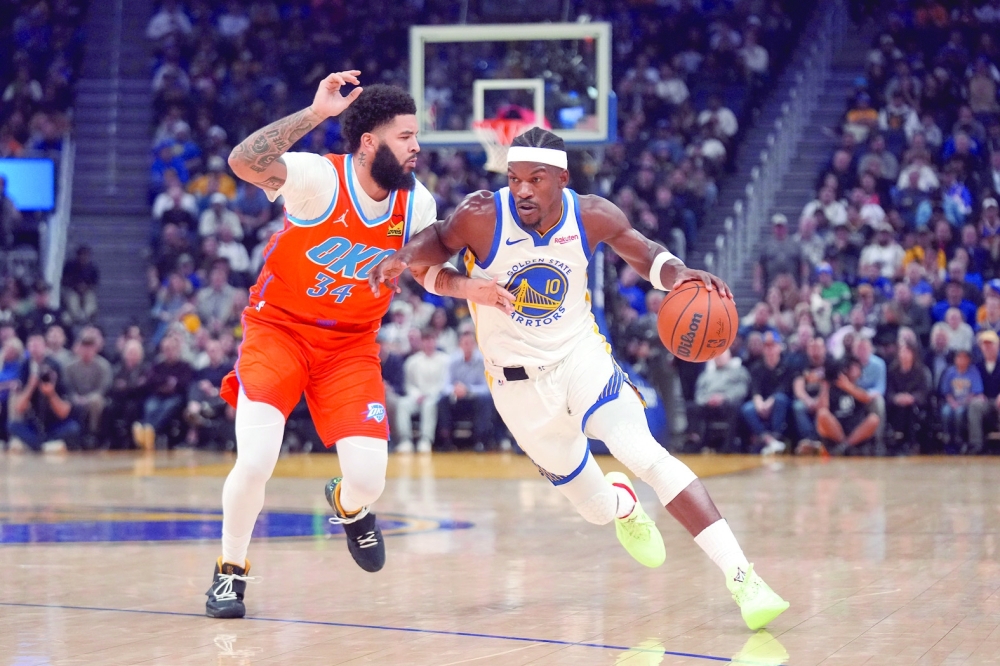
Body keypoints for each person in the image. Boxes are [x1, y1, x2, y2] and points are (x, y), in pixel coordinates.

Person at [370, 127, 788, 631]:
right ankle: (622, 504)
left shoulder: (591, 213)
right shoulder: (481, 215)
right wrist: (416, 264)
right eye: (515, 178)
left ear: (562, 180)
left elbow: (645, 252)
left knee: (645, 454)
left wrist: (680, 276)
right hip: (516, 389)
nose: (522, 189)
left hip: (581, 360)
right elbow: (432, 251)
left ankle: (744, 577)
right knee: (594, 510)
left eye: (535, 179)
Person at [208, 72, 511, 619]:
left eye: (416, 136)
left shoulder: (415, 204)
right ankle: (231, 573)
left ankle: (348, 507)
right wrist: (315, 114)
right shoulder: (319, 179)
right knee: (255, 460)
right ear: (369, 142)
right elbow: (242, 162)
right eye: (405, 136)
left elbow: (427, 273)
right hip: (280, 330)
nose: (417, 146)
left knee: (369, 480)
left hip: (349, 346)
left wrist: (475, 290)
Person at [9, 334, 80, 453]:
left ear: (45, 347)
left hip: (54, 424)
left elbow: (64, 412)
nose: (34, 348)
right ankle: (46, 446)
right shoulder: (25, 367)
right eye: (31, 345)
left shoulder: (56, 366)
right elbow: (19, 408)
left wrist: (51, 393)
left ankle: (37, 446)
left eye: (37, 345)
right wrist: (31, 385)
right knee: (13, 426)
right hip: (33, 423)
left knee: (73, 428)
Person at [437, 330, 494, 452]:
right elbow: (445, 385)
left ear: (475, 344)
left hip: (474, 399)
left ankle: (480, 441)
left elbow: (487, 387)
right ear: (460, 345)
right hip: (457, 399)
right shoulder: (452, 360)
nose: (467, 346)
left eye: (470, 343)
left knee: (486, 399)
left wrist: (467, 389)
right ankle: (446, 441)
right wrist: (455, 389)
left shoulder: (482, 361)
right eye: (465, 343)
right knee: (442, 399)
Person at [395, 329, 450, 453]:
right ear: (422, 342)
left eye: (431, 340)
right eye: (426, 340)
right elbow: (408, 384)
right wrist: (416, 394)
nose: (429, 343)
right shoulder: (412, 361)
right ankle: (405, 440)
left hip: (436, 397)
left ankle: (425, 440)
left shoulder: (445, 360)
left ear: (435, 341)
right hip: (416, 396)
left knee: (429, 405)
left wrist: (428, 395)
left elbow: (445, 383)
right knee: (402, 404)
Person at [134, 335, 193, 450]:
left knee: (167, 407)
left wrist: (169, 383)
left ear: (177, 350)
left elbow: (184, 383)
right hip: (158, 395)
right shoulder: (157, 365)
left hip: (176, 396)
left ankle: (149, 431)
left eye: (172, 349)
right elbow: (151, 380)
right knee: (150, 407)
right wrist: (167, 382)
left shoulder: (185, 366)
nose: (169, 352)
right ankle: (147, 431)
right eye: (166, 349)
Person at [740, 332, 792, 455]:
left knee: (780, 399)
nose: (770, 350)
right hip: (762, 404)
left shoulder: (786, 366)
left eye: (772, 345)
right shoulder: (756, 367)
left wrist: (769, 403)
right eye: (766, 346)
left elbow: (784, 388)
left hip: (780, 403)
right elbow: (755, 389)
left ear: (779, 347)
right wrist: (759, 403)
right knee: (747, 408)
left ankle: (777, 436)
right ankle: (769, 441)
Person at [688, 349, 750, 452]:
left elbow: (741, 390)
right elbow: (699, 392)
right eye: (717, 357)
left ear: (729, 357)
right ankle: (695, 442)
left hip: (727, 403)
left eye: (721, 356)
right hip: (708, 403)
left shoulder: (739, 371)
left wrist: (724, 397)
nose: (719, 359)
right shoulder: (706, 374)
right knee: (691, 407)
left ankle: (728, 445)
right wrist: (706, 400)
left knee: (735, 408)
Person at [816, 357, 880, 455]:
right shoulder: (832, 387)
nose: (857, 371)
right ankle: (844, 445)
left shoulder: (858, 387)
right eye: (855, 367)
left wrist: (848, 386)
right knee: (822, 414)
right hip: (836, 428)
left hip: (855, 429)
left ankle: (845, 446)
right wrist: (825, 386)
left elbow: (866, 399)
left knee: (874, 419)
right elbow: (823, 408)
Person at [63, 329, 113, 447]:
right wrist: (75, 396)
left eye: (90, 347)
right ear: (79, 348)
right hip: (75, 397)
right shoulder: (70, 367)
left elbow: (103, 388)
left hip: (95, 397)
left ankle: (93, 433)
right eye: (84, 347)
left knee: (96, 402)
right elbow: (67, 386)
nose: (87, 350)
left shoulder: (103, 366)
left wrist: (88, 398)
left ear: (95, 348)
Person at [885, 338, 932, 453]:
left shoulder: (920, 371)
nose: (904, 355)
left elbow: (924, 392)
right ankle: (897, 441)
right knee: (899, 409)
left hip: (915, 405)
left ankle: (912, 443)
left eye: (907, 351)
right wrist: (896, 398)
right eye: (902, 351)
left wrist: (912, 398)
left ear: (913, 354)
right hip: (896, 405)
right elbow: (889, 391)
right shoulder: (892, 370)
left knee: (910, 409)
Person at [792, 337, 836, 455]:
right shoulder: (801, 363)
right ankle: (810, 440)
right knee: (798, 407)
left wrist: (818, 401)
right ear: (807, 350)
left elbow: (828, 386)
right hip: (807, 399)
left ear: (824, 349)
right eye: (812, 347)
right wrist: (808, 401)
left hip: (826, 397)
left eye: (818, 347)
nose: (815, 350)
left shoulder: (830, 364)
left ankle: (820, 441)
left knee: (824, 407)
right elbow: (798, 387)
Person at [106, 339, 151, 449]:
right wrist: (131, 387)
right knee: (109, 408)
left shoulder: (145, 369)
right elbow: (113, 387)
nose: (132, 355)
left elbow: (143, 387)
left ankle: (130, 439)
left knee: (131, 408)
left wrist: (127, 387)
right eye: (130, 352)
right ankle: (110, 439)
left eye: (135, 353)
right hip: (120, 399)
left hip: (138, 400)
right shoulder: (117, 369)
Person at [939, 349, 983, 451]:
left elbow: (976, 392)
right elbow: (946, 392)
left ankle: (959, 438)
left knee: (959, 413)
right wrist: (953, 402)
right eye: (959, 357)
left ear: (968, 360)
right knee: (945, 412)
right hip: (951, 402)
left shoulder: (973, 372)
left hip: (966, 402)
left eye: (964, 358)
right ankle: (947, 437)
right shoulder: (950, 372)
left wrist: (963, 403)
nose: (961, 360)